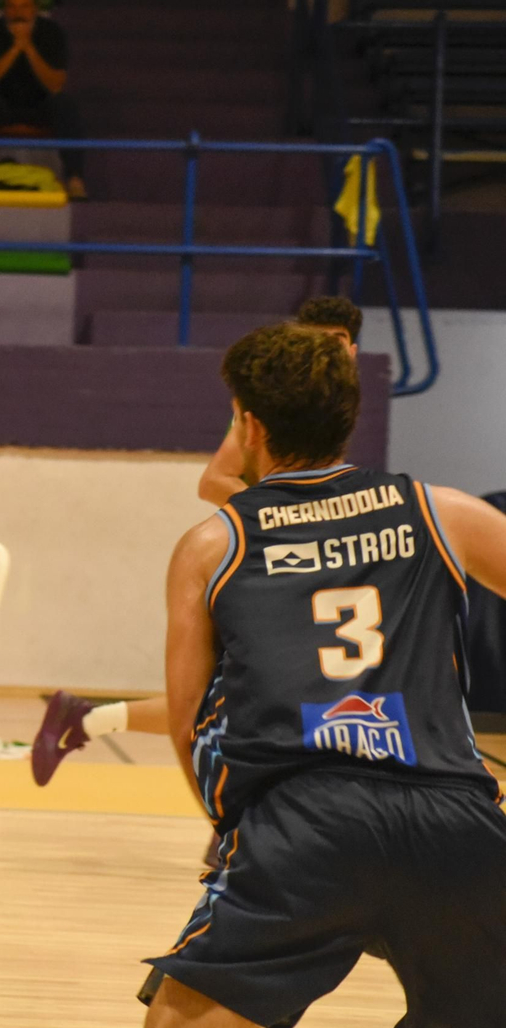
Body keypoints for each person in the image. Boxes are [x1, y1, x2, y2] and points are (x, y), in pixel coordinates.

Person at [132, 322, 506, 1028]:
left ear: (250, 424)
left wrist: (234, 833)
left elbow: (186, 725)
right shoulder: (441, 512)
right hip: (456, 823)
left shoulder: (213, 546)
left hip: (305, 826)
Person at [32, 297, 366, 784]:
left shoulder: (337, 407)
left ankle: (85, 717)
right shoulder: (272, 409)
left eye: (334, 343)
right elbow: (212, 481)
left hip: (303, 562)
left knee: (253, 694)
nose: (324, 353)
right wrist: (288, 512)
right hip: (265, 562)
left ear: (353, 350)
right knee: (241, 695)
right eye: (314, 342)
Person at [0, 0, 86, 200]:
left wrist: (29, 48)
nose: (18, 12)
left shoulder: (51, 31)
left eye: (24, 6)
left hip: (40, 104)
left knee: (65, 104)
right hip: (1, 104)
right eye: (12, 6)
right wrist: (14, 49)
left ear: (35, 9)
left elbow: (55, 84)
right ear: (5, 9)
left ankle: (75, 178)